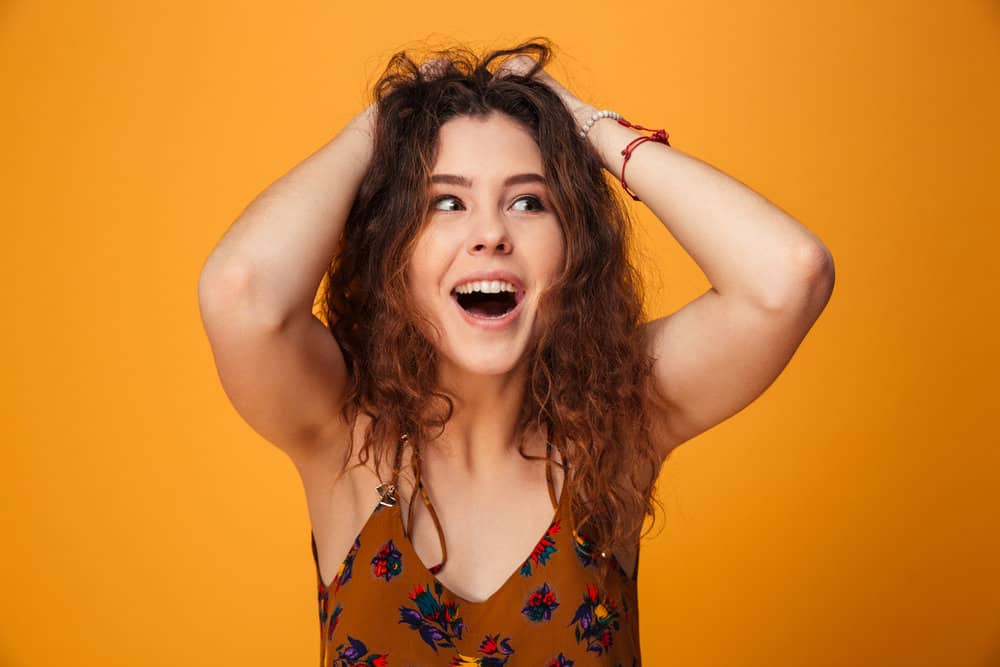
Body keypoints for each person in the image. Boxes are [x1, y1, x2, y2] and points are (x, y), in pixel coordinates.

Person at [197, 37, 834, 666]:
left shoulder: (617, 426)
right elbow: (241, 292)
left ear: (574, 247)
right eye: (446, 202)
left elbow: (789, 276)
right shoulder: (339, 432)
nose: (491, 234)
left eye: (529, 201)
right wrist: (384, 125)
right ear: (393, 247)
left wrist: (589, 125)